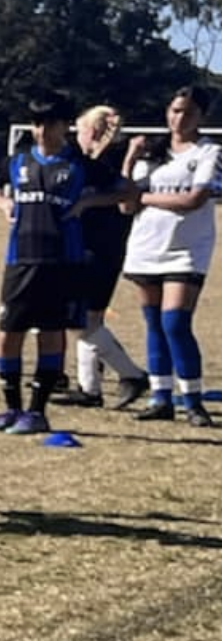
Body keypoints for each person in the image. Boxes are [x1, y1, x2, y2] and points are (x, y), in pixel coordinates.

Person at [0, 92, 132, 436]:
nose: (42, 130)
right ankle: (10, 408)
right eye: (37, 123)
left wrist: (89, 202)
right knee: (8, 334)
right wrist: (2, 204)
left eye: (50, 123)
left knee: (51, 334)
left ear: (64, 126)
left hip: (62, 263)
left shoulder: (79, 165)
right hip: (21, 261)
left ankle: (37, 412)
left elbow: (127, 191)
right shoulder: (17, 162)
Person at [118, 85, 221, 427]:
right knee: (154, 323)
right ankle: (161, 397)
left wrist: (144, 197)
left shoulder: (208, 152)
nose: (180, 118)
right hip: (147, 247)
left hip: (186, 250)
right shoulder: (150, 152)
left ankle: (192, 400)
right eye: (175, 110)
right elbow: (124, 203)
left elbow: (193, 200)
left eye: (189, 112)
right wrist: (131, 159)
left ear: (201, 116)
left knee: (175, 322)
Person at [50, 105, 148, 409]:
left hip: (101, 249)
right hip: (87, 246)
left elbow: (126, 198)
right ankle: (89, 388)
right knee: (87, 318)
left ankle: (132, 374)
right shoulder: (86, 161)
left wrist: (91, 201)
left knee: (83, 320)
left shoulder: (110, 161)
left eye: (78, 130)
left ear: (90, 131)